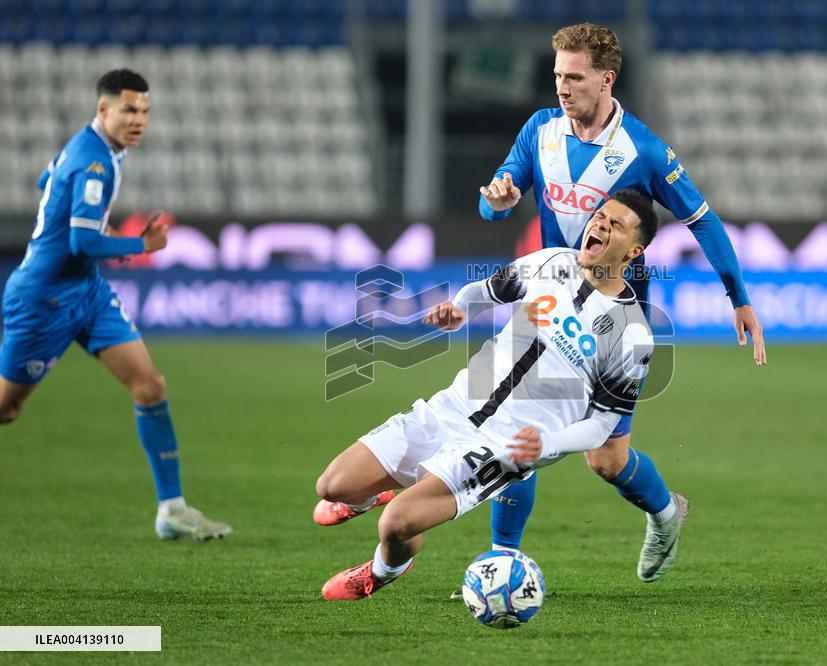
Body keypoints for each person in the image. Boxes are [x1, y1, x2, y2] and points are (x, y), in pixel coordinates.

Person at [474, 23, 766, 583]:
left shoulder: (645, 150)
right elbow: (496, 201)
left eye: (575, 77)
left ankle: (664, 514)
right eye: (558, 75)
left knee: (605, 459)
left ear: (606, 79)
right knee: (515, 424)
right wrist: (498, 201)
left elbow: (701, 219)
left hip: (614, 320)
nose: (562, 87)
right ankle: (502, 559)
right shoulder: (539, 131)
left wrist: (739, 296)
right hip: (547, 305)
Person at [315, 191, 680, 601]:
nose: (600, 225)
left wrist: (549, 443)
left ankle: (383, 569)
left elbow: (601, 426)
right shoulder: (550, 262)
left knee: (396, 526)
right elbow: (486, 291)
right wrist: (460, 308)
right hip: (455, 405)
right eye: (600, 216)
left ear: (635, 250)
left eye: (616, 224)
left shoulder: (632, 333)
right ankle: (371, 494)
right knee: (332, 486)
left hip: (502, 444)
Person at [0, 69, 231, 541]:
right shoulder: (96, 164)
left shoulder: (98, 148)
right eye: (129, 110)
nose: (139, 119)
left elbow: (47, 179)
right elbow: (83, 241)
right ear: (103, 109)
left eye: (145, 110)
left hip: (86, 291)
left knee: (150, 386)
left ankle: (172, 510)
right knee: (7, 410)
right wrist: (141, 245)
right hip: (43, 299)